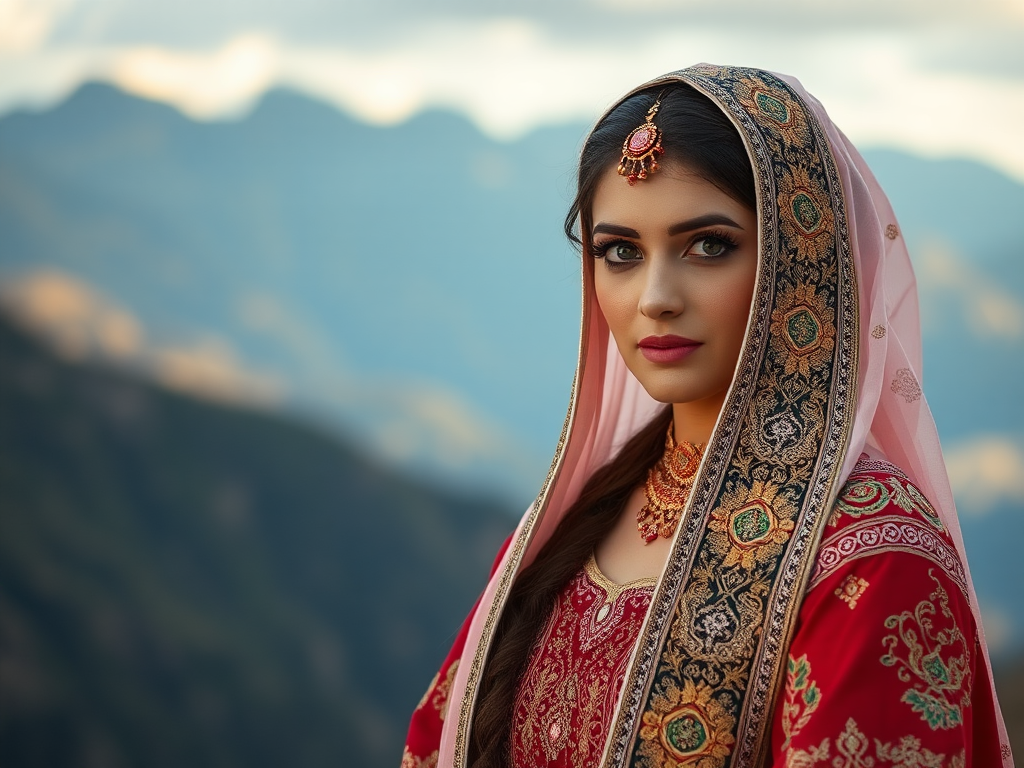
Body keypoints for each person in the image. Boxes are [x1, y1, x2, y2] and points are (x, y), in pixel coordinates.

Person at [402, 64, 1013, 768]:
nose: (655, 297)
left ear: (802, 263)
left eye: (708, 245)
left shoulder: (872, 556)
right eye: (620, 252)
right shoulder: (577, 518)